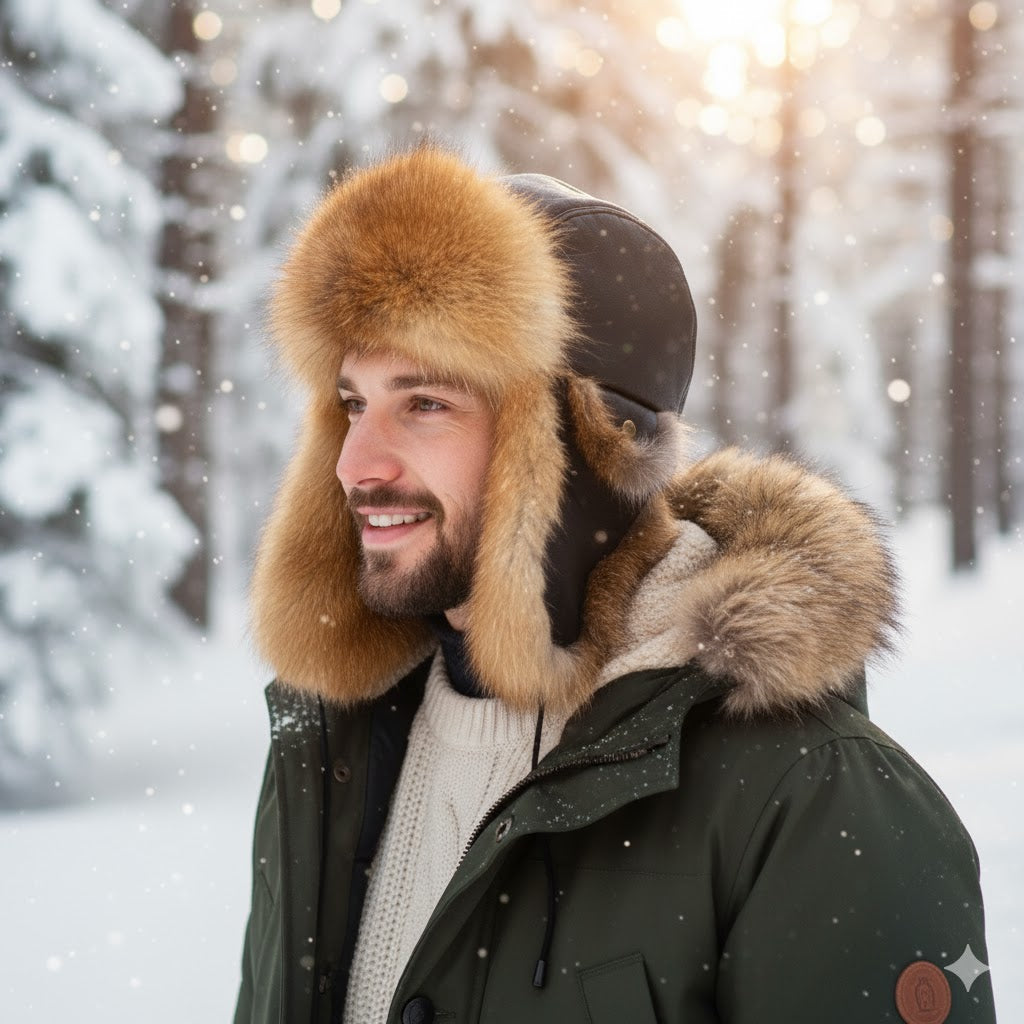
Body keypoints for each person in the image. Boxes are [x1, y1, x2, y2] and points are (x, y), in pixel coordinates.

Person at [234, 147, 994, 1024]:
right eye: (353, 404)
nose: (354, 463)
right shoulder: (333, 754)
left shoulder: (808, 796)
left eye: (427, 403)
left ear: (585, 450)